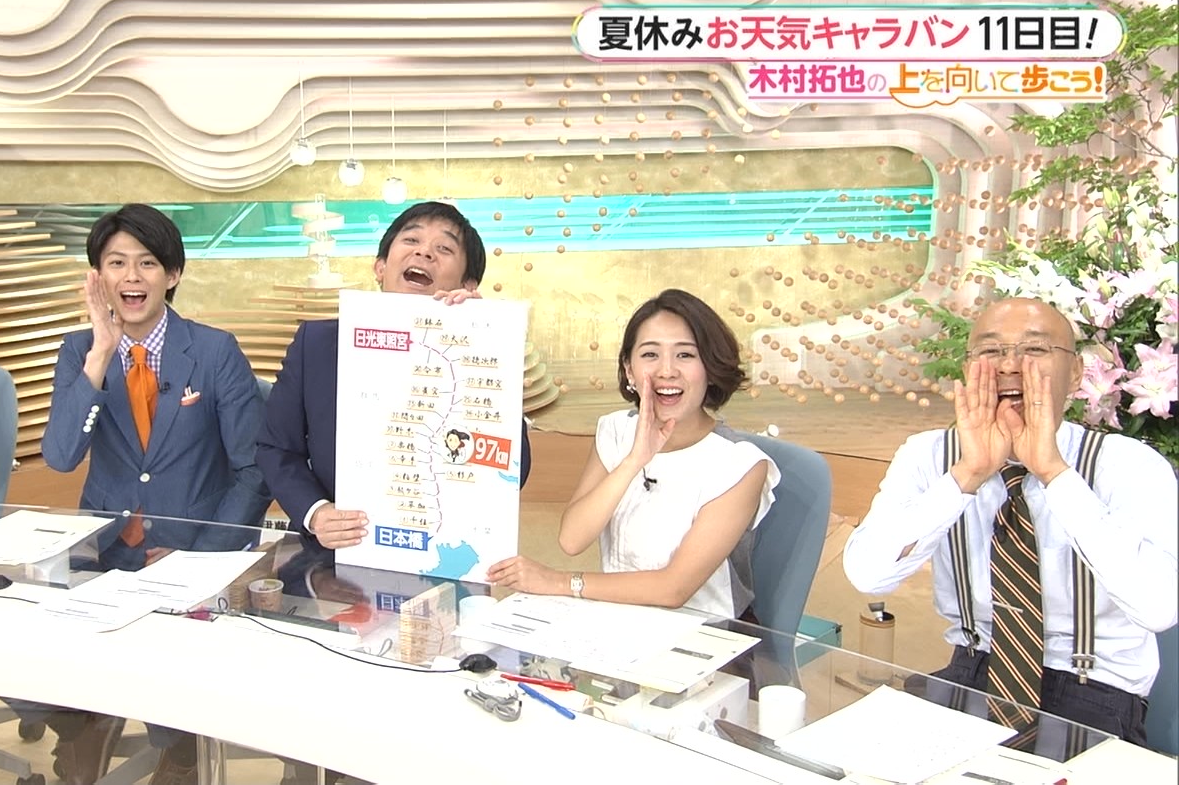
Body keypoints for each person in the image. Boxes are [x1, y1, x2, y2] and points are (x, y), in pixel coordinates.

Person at [844, 297, 1177, 746]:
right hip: (973, 666)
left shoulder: (1127, 464)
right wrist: (967, 475)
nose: (1009, 366)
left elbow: (1159, 608)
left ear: (1075, 373)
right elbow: (868, 575)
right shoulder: (930, 455)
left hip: (1094, 690)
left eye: (1034, 350)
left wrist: (1055, 474)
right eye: (991, 351)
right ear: (968, 369)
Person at [38, 203, 272, 785]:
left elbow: (254, 470)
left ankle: (177, 747)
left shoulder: (213, 351)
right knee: (27, 652)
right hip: (102, 552)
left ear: (172, 274)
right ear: (98, 277)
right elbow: (61, 455)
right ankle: (89, 722)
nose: (131, 277)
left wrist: (201, 558)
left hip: (190, 548)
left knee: (173, 672)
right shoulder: (78, 350)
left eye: (147, 263)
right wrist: (99, 354)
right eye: (116, 263)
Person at [486, 289, 778, 620]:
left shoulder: (740, 465)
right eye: (650, 354)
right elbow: (572, 539)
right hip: (620, 620)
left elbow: (673, 589)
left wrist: (560, 582)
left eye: (685, 355)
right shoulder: (615, 430)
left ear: (710, 367)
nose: (667, 371)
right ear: (629, 369)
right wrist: (634, 460)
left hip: (707, 631)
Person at [256, 201, 530, 552]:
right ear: (380, 267)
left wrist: (483, 349)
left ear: (468, 282)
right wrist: (316, 512)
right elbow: (276, 447)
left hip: (446, 553)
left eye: (444, 248)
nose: (424, 252)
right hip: (335, 554)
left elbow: (513, 471)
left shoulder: (482, 353)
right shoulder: (317, 344)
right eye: (411, 240)